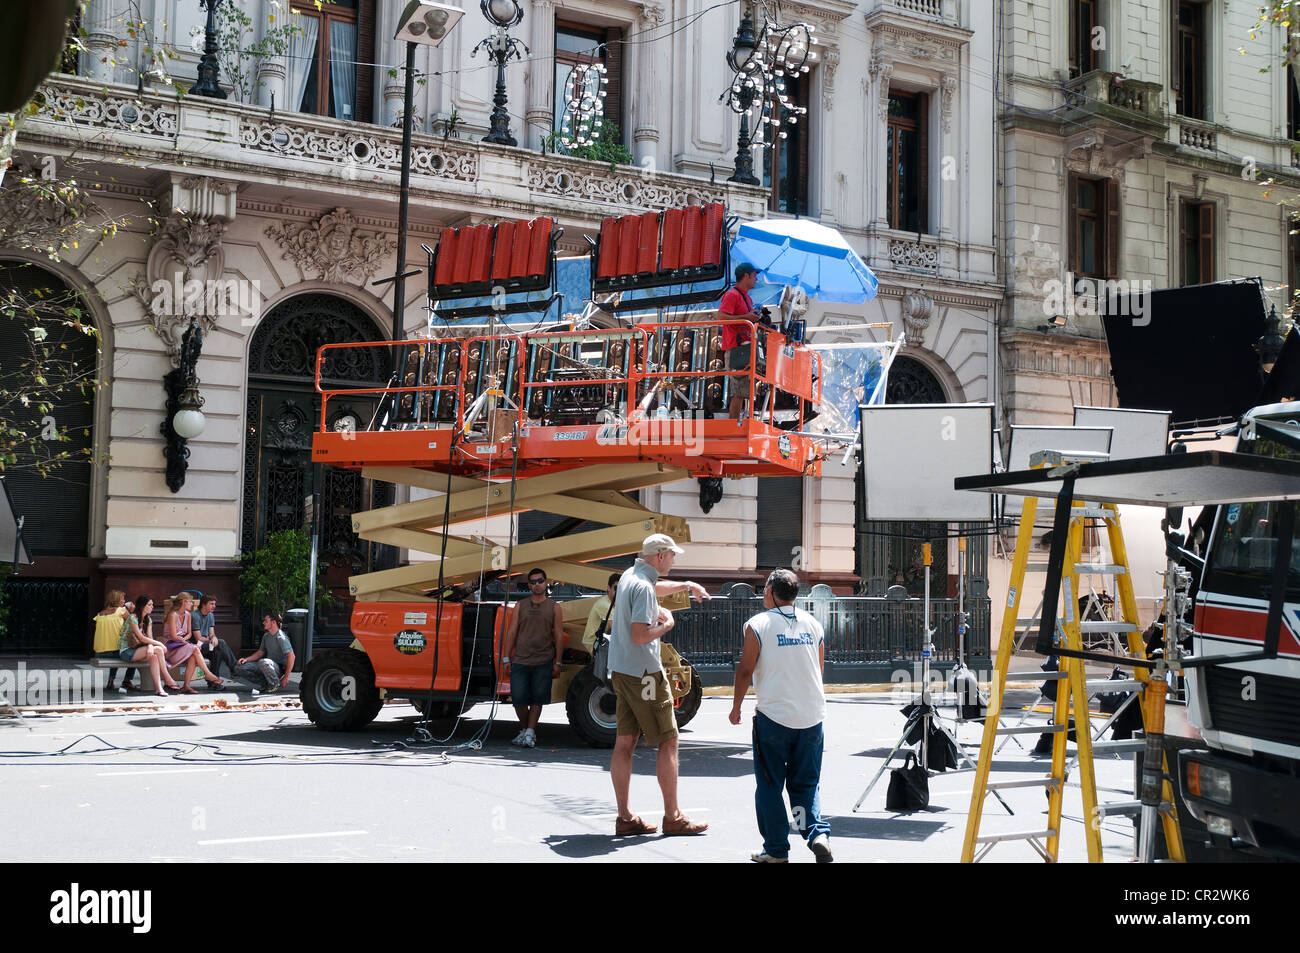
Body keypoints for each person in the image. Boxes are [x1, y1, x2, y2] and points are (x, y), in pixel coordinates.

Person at [608, 533, 710, 837]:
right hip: (645, 673)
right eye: (673, 555)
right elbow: (640, 635)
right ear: (661, 555)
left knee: (624, 743)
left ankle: (625, 817)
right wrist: (667, 624)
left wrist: (687, 586)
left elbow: (653, 588)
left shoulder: (631, 575)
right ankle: (673, 817)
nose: (675, 560)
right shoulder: (641, 585)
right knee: (668, 740)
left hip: (623, 670)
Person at [729, 568, 832, 863]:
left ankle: (776, 850)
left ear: (773, 592)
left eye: (764, 588)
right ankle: (816, 833)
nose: (762, 593)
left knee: (770, 784)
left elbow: (745, 670)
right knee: (806, 783)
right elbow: (818, 670)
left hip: (773, 718)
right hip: (812, 715)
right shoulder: (814, 624)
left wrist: (736, 707)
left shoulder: (758, 624)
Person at [502, 568, 566, 748]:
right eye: (533, 582)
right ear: (529, 584)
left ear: (546, 583)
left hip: (543, 660)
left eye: (540, 581)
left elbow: (559, 635)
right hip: (521, 659)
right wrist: (506, 658)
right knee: (518, 699)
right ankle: (525, 730)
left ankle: (529, 732)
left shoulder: (555, 607)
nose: (537, 584)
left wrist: (558, 662)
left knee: (538, 699)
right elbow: (512, 632)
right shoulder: (520, 605)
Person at [718, 262, 763, 419]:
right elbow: (721, 317)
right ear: (746, 276)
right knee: (738, 391)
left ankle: (739, 422)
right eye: (754, 276)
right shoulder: (732, 295)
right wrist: (746, 317)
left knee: (744, 390)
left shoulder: (746, 298)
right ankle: (732, 425)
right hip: (736, 348)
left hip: (744, 348)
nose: (756, 279)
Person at [118, 594, 180, 698]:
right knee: (159, 650)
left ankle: (159, 688)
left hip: (141, 650)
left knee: (154, 656)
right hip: (127, 651)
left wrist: (151, 646)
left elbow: (149, 638)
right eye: (150, 605)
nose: (152, 607)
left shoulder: (148, 619)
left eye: (152, 605)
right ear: (143, 606)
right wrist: (159, 644)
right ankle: (167, 678)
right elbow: (141, 638)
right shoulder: (132, 618)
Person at [161, 593, 223, 693]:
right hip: (172, 646)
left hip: (183, 643)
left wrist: (184, 639)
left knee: (193, 656)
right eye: (190, 601)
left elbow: (189, 633)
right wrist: (182, 640)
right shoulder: (173, 615)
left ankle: (186, 686)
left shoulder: (188, 615)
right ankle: (207, 673)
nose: (192, 604)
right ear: (183, 602)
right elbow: (173, 636)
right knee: (195, 649)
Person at [236, 613, 296, 693]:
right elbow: (260, 653)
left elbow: (292, 656)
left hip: (277, 668)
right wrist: (246, 659)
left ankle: (274, 683)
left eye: (266, 621)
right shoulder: (266, 636)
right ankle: (265, 683)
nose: (263, 622)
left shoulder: (281, 637)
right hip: (266, 666)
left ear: (273, 622)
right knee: (239, 668)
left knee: (263, 662)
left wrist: (286, 677)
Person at [94, 590, 137, 693]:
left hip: (99, 653)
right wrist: (131, 611)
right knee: (135, 655)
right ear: (116, 600)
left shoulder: (99, 614)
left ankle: (111, 680)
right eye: (122, 598)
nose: (124, 600)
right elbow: (133, 625)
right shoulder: (122, 611)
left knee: (115, 650)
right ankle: (127, 680)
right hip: (115, 651)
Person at [191, 595, 238, 680]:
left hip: (205, 645)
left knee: (218, 652)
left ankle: (213, 682)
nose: (214, 606)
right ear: (204, 605)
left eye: (214, 604)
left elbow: (211, 633)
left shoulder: (210, 615)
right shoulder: (195, 616)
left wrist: (214, 637)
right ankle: (234, 667)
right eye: (211, 604)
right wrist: (212, 639)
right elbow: (198, 638)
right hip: (196, 646)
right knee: (221, 642)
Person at [581, 573, 622, 653]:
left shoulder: (615, 603)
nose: (618, 592)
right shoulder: (604, 604)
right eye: (616, 588)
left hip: (603, 640)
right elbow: (617, 629)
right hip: (594, 644)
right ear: (608, 588)